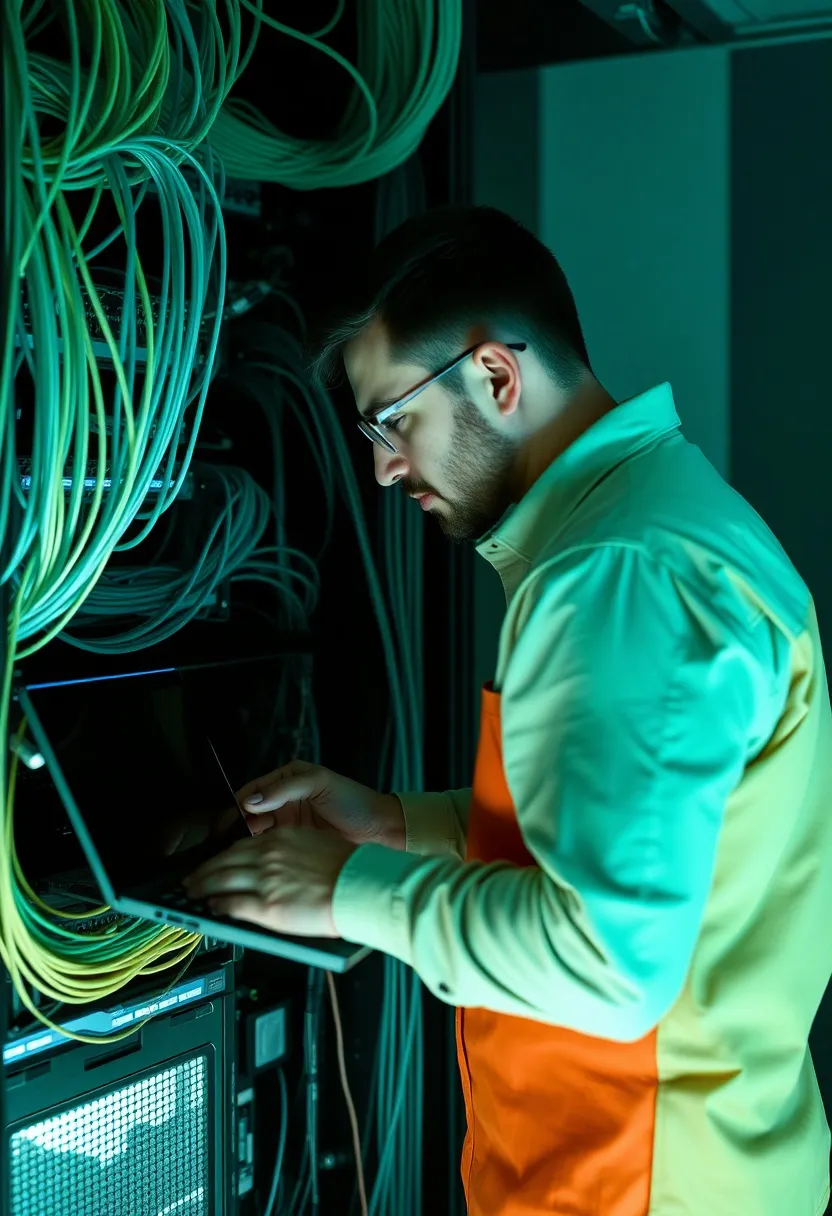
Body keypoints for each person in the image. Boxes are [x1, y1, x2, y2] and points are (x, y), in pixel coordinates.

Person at [185, 205, 832, 1215]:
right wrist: (395, 825)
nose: (383, 468)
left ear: (494, 375)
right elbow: (629, 838)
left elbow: (608, 967)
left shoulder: (617, 575)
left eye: (391, 422)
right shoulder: (660, 522)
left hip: (637, 1185)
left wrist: (350, 888)